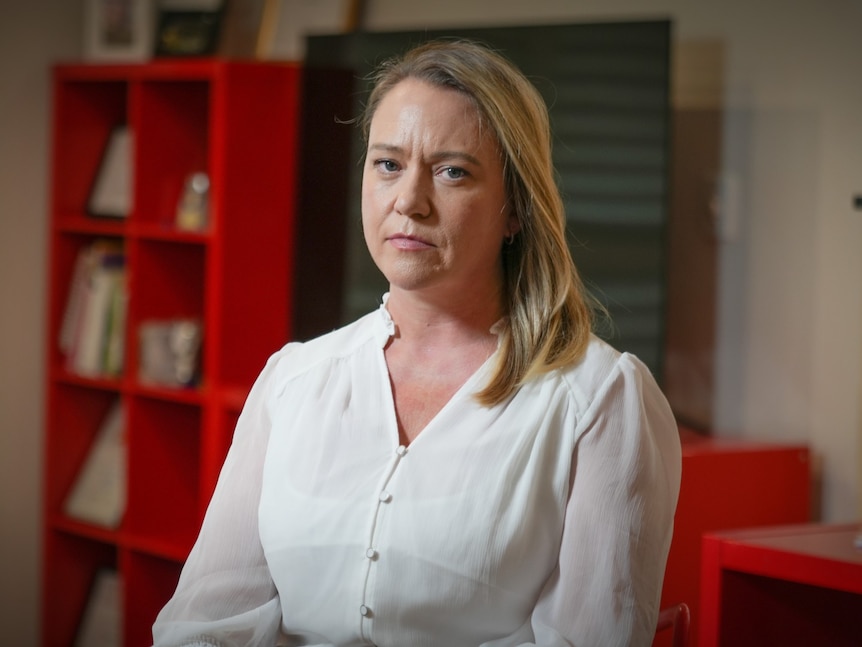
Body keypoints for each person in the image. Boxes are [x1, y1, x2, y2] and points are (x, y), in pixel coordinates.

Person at [152, 38, 681, 647]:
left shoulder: (599, 400)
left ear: (515, 208)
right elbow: (206, 623)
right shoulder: (293, 381)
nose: (408, 201)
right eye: (387, 164)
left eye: (453, 171)